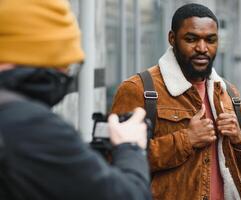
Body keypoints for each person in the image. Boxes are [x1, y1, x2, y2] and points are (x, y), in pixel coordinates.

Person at [0, 0, 151, 199]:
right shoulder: (29, 124)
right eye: (62, 64)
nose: (65, 75)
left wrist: (78, 156)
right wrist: (130, 147)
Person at [112, 3, 241, 200]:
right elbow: (115, 160)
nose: (202, 48)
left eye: (210, 40)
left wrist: (239, 139)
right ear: (172, 39)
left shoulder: (227, 92)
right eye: (191, 39)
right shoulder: (139, 89)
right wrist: (187, 140)